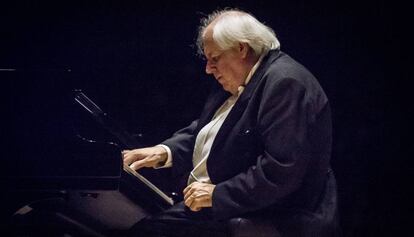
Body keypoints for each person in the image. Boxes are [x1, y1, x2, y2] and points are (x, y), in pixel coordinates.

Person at [123, 9, 339, 237]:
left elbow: (282, 170)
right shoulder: (244, 79)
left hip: (275, 219)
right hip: (236, 206)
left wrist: (217, 195)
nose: (208, 69)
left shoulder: (285, 83)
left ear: (241, 49)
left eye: (214, 59)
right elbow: (212, 129)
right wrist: (164, 151)